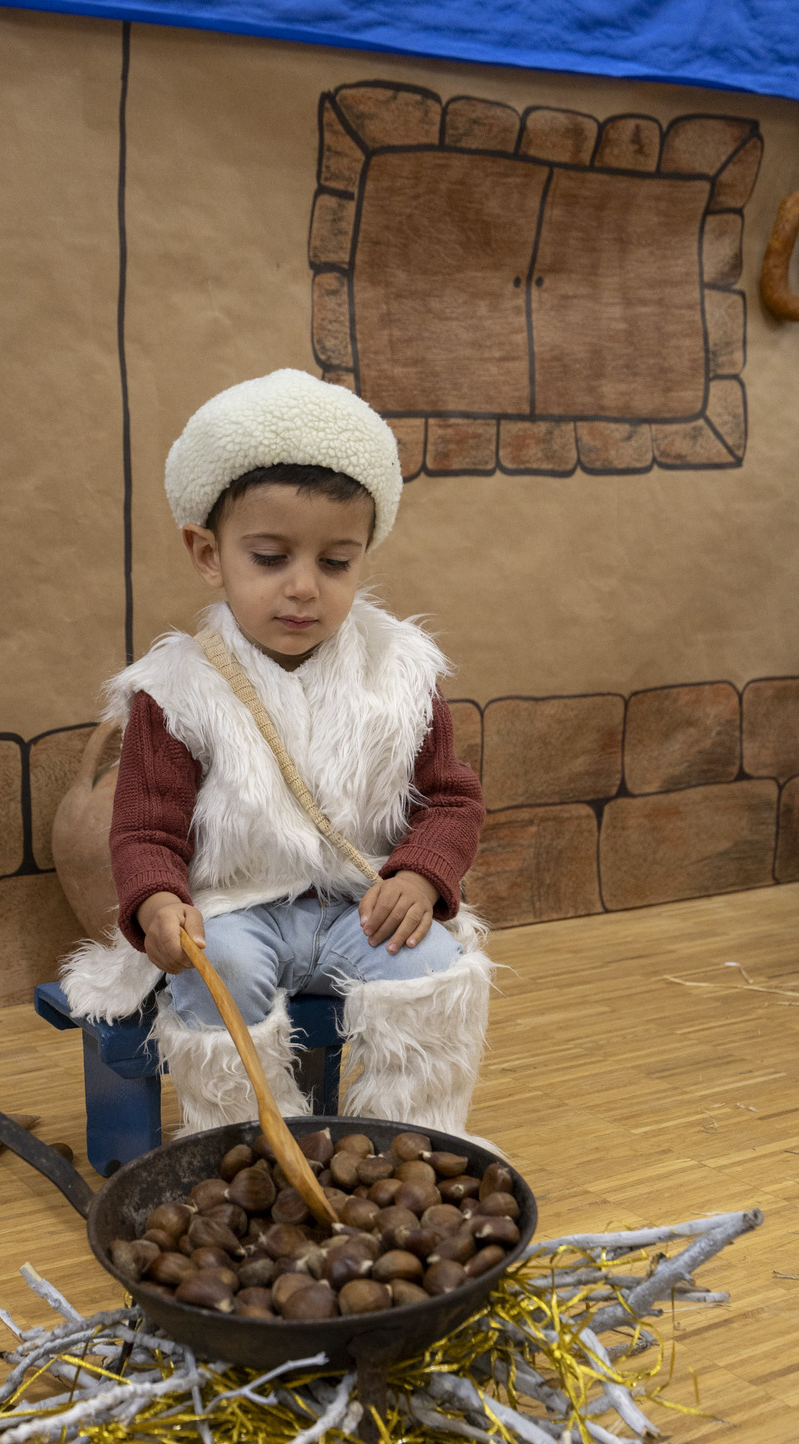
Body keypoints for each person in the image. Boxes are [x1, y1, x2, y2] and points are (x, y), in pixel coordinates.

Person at [62, 368, 490, 1137]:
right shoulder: (177, 690)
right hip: (233, 911)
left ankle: (412, 1149)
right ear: (207, 554)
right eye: (269, 558)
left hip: (361, 905)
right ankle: (248, 1149)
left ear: (364, 556)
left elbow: (451, 799)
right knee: (217, 970)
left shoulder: (399, 672)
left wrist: (424, 873)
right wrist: (160, 901)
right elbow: (144, 831)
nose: (303, 589)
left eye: (336, 562)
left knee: (429, 973)